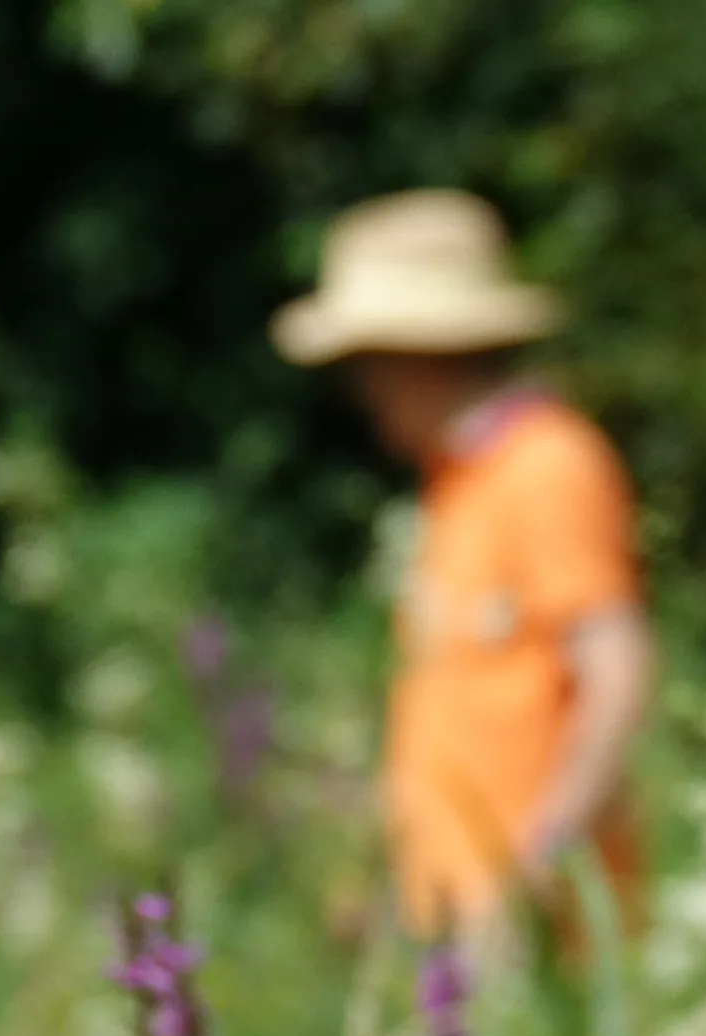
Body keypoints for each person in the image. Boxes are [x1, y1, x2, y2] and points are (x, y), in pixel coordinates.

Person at [276, 189, 655, 956]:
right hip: (455, 919)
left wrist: (539, 870)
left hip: (535, 932)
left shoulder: (549, 465)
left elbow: (618, 676)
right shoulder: (458, 481)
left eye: (364, 368)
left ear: (414, 356)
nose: (360, 395)